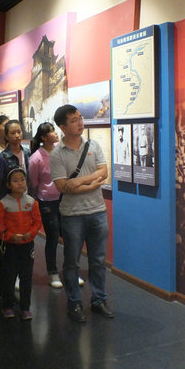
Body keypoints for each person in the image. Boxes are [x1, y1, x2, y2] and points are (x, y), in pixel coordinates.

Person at [49, 105, 112, 323]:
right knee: (72, 262)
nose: (80, 122)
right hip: (72, 215)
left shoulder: (93, 145)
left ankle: (99, 299)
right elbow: (62, 187)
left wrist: (78, 181)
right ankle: (74, 302)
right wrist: (90, 184)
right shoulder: (57, 154)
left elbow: (103, 172)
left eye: (80, 118)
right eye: (74, 120)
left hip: (97, 211)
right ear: (63, 126)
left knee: (98, 260)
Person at [0, 168, 42, 320]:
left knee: (26, 277)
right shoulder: (3, 203)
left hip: (27, 245)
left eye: (22, 180)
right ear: (8, 185)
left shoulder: (31, 202)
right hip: (9, 246)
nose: (20, 183)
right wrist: (10, 236)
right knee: (8, 276)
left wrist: (30, 234)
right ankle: (8, 306)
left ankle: (25, 307)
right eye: (15, 181)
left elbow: (37, 222)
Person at [29, 122, 64, 289]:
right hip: (47, 202)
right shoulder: (36, 158)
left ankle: (70, 270)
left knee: (70, 234)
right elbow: (33, 183)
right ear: (44, 137)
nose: (55, 133)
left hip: (64, 198)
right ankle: (53, 272)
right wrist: (41, 197)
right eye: (51, 131)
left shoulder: (60, 150)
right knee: (53, 237)